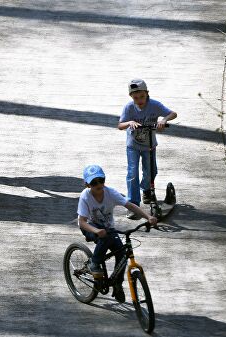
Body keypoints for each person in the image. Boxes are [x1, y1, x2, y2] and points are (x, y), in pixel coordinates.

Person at [77, 164, 157, 303]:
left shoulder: (110, 193)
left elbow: (130, 206)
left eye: (101, 180)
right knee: (105, 237)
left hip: (107, 228)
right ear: (87, 185)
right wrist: (96, 230)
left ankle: (117, 284)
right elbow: (82, 222)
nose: (98, 184)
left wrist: (148, 217)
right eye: (94, 182)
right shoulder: (85, 196)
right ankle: (94, 263)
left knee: (122, 254)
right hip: (89, 227)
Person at [118, 79, 177, 219]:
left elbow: (173, 114)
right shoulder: (129, 108)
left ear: (147, 94)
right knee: (132, 173)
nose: (139, 100)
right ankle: (133, 203)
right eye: (135, 97)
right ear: (131, 97)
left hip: (149, 145)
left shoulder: (155, 105)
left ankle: (146, 189)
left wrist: (164, 120)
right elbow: (120, 125)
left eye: (142, 96)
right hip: (132, 145)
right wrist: (129, 122)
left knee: (151, 171)